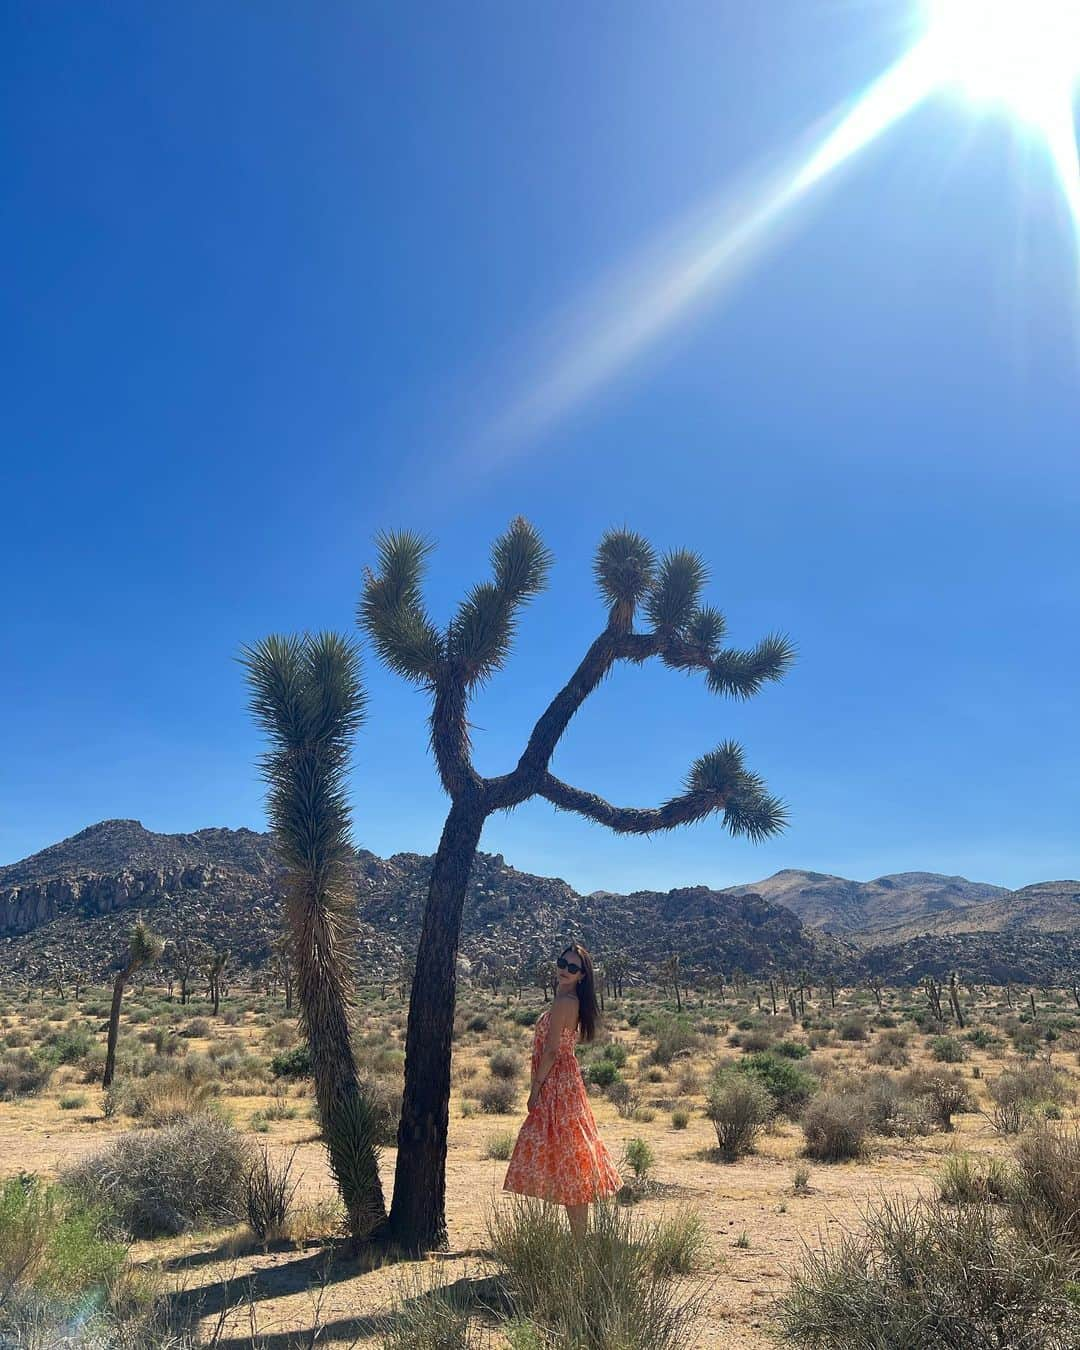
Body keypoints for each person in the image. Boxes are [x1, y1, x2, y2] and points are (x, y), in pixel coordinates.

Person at [502, 942, 622, 1238]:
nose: (564, 970)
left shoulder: (564, 1002)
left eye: (572, 967)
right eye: (561, 963)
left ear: (582, 975)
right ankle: (579, 1239)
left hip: (557, 1082)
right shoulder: (570, 1000)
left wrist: (535, 1087)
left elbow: (553, 1050)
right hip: (567, 1081)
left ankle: (579, 1241)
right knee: (569, 1154)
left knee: (569, 1155)